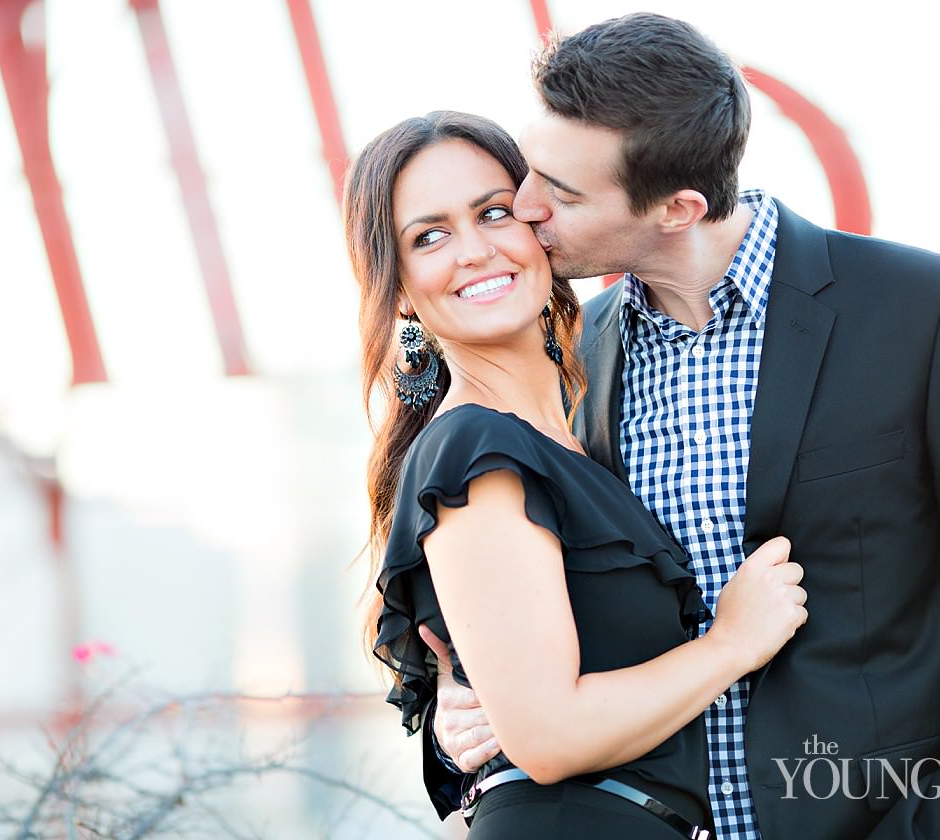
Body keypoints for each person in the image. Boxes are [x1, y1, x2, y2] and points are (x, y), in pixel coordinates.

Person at [427, 13, 940, 840]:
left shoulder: (925, 312)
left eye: (561, 193)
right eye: (533, 173)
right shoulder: (576, 358)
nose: (525, 209)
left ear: (677, 207)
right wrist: (469, 705)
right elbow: (554, 623)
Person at [344, 110, 808, 839]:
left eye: (494, 213)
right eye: (428, 236)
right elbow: (548, 739)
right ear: (400, 286)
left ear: (540, 220)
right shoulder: (474, 450)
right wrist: (731, 644)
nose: (473, 251)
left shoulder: (579, 421)